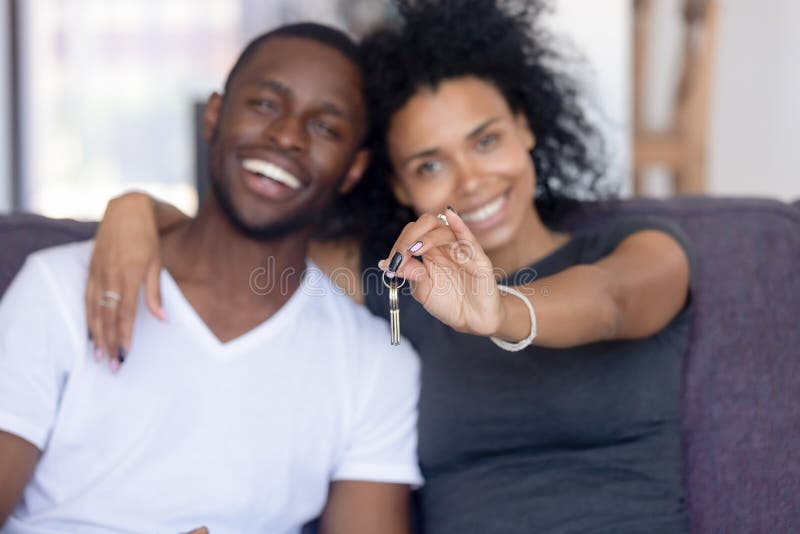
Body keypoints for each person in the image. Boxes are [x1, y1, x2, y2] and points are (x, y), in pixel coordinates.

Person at [84, 1, 694, 532]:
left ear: (526, 127)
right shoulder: (402, 282)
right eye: (431, 165)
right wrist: (137, 210)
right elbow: (244, 246)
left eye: (486, 141)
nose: (473, 180)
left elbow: (611, 302)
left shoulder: (638, 249)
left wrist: (502, 309)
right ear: (398, 184)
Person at [0, 23, 423, 533]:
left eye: (324, 127)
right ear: (215, 115)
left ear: (353, 168)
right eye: (266, 104)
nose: (286, 136)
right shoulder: (58, 288)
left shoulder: (375, 362)